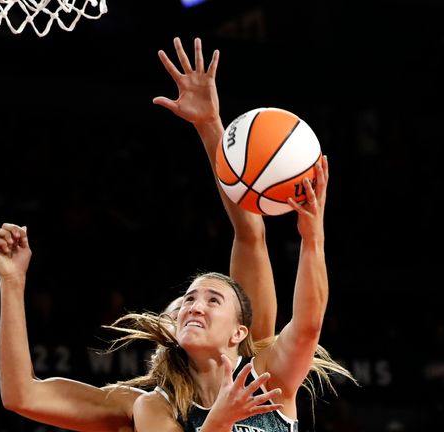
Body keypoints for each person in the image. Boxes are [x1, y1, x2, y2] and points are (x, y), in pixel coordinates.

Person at [102, 37, 353, 432]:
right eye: (190, 298)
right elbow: (21, 396)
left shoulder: (269, 382)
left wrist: (312, 238)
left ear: (240, 331)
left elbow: (306, 323)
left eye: (211, 298)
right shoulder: (159, 407)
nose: (195, 306)